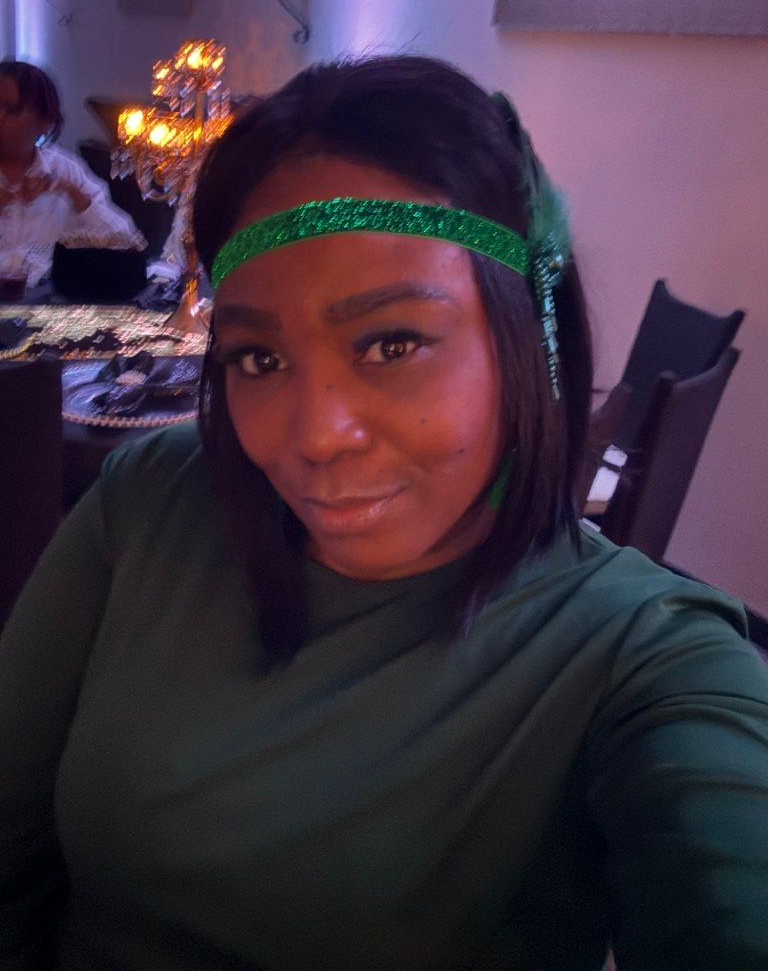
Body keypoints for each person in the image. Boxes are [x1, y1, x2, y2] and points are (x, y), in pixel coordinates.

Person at [1, 55, 767, 971]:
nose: (315, 437)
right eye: (257, 359)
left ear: (527, 338)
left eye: (393, 343)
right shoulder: (154, 500)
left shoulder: (641, 652)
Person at [0, 59, 146, 289]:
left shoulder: (64, 169)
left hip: (48, 299)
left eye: (11, 109)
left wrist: (73, 195)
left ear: (45, 122)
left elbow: (128, 240)